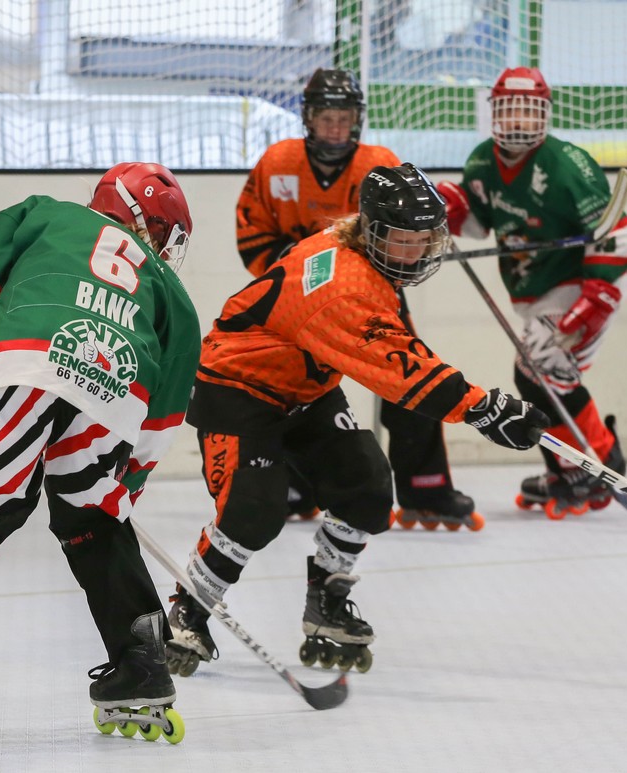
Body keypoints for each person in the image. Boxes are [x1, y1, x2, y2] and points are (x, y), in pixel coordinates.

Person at [164, 164, 549, 678]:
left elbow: (397, 347)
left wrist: (482, 405)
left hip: (306, 390)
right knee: (252, 510)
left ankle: (326, 599)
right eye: (403, 240)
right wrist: (484, 408)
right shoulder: (342, 287)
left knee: (366, 487)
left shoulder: (356, 251)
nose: (416, 252)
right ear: (372, 231)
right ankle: (188, 610)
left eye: (424, 240)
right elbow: (400, 369)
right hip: (239, 389)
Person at [0, 162, 202, 757]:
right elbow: (165, 412)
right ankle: (143, 666)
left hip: (20, 360)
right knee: (96, 524)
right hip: (116, 388)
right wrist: (123, 488)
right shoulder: (167, 286)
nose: (162, 246)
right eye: (164, 232)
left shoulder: (43, 213)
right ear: (147, 223)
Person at [237, 67, 479, 530]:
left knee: (411, 374)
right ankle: (295, 486)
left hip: (371, 293)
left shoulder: (380, 164)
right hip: (299, 305)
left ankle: (426, 488)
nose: (335, 127)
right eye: (327, 117)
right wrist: (297, 269)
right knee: (291, 389)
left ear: (358, 120)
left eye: (344, 118)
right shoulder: (277, 162)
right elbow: (251, 233)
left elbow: (405, 234)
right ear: (309, 118)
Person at [435, 66, 627, 518]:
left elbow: (616, 234)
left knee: (541, 369)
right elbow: (478, 221)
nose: (519, 121)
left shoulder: (568, 165)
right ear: (495, 114)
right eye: (510, 110)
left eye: (529, 111)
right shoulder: (482, 161)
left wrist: (596, 299)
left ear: (544, 114)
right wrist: (450, 207)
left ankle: (600, 461)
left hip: (582, 283)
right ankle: (569, 470)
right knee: (536, 377)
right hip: (537, 289)